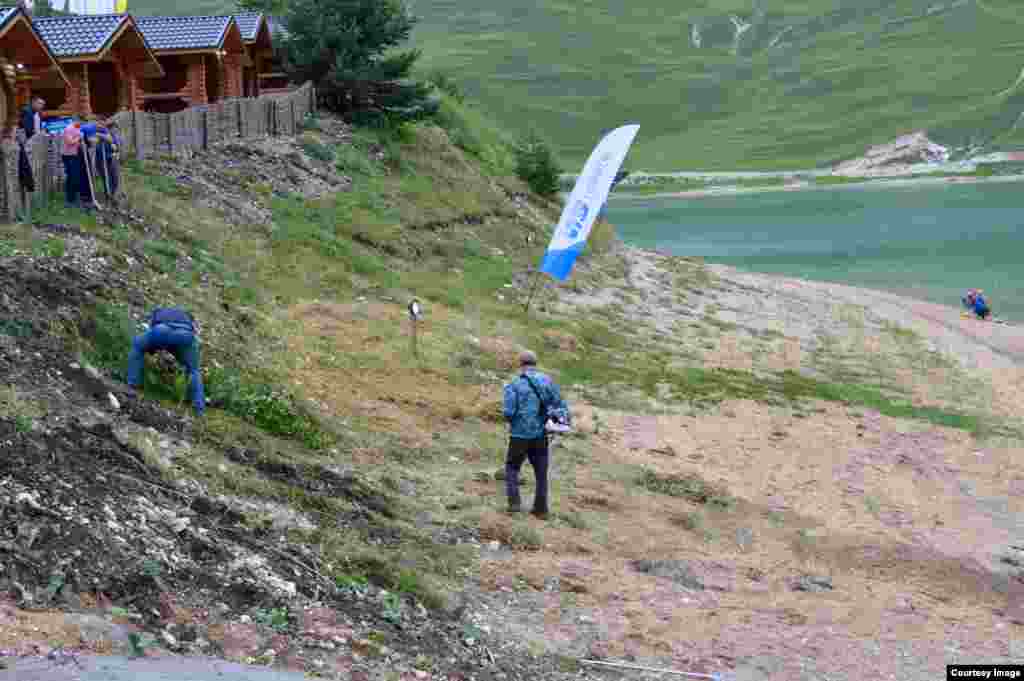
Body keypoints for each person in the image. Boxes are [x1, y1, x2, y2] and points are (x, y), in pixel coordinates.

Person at [502, 350, 570, 519]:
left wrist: (512, 421)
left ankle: (515, 505)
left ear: (521, 364)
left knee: (512, 468)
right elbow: (559, 404)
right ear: (535, 364)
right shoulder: (547, 382)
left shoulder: (515, 384)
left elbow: (509, 412)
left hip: (519, 434)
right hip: (540, 434)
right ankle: (540, 509)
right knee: (540, 472)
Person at [127, 307, 206, 416]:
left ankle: (133, 384)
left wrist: (152, 348)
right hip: (185, 335)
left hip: (161, 330)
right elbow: (195, 334)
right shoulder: (188, 318)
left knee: (137, 346)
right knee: (193, 370)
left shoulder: (158, 312)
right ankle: (199, 408)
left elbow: (151, 330)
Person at [61, 120, 89, 209]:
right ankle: (70, 200)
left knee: (76, 177)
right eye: (81, 122)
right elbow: (70, 142)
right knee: (72, 177)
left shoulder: (78, 129)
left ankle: (76, 198)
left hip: (75, 155)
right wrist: (79, 138)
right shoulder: (69, 129)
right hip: (69, 156)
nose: (82, 124)